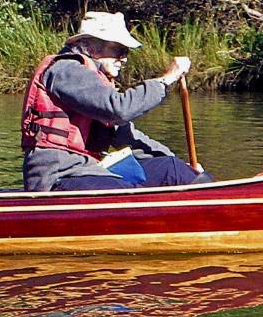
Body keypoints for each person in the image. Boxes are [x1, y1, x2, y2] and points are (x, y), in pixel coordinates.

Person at [21, 11, 211, 192]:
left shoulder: (95, 82)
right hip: (60, 175)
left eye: (126, 51)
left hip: (89, 169)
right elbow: (118, 109)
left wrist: (182, 164)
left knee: (172, 169)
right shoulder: (66, 70)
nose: (125, 58)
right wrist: (166, 80)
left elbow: (128, 136)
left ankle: (216, 203)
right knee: (128, 193)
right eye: (119, 50)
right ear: (92, 48)